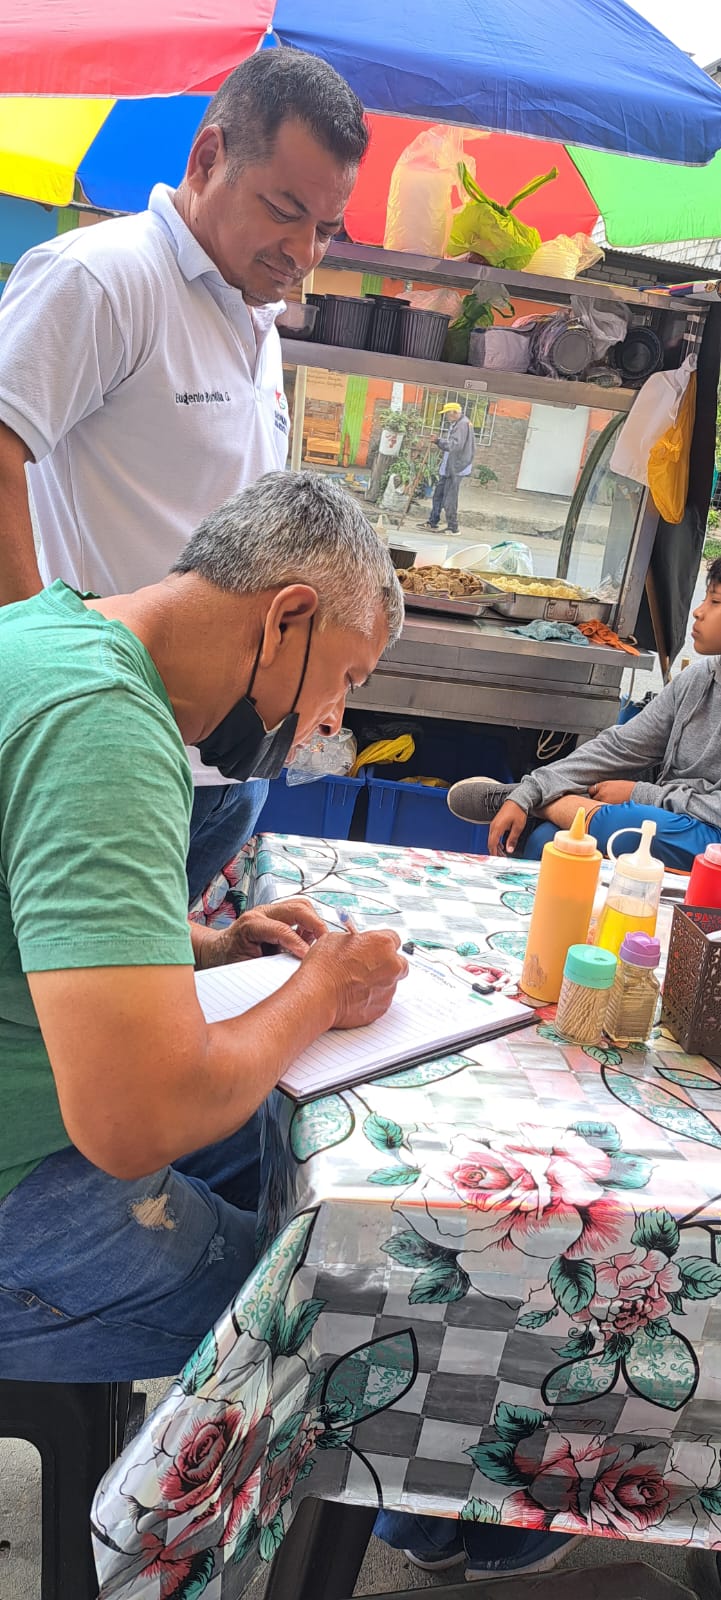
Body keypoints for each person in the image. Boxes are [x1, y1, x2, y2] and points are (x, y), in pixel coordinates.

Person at [0, 471, 408, 1381]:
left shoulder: (49, 634)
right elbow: (139, 1119)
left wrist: (212, 947)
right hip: (22, 1190)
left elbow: (36, 908)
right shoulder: (102, 728)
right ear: (286, 618)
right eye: (343, 680)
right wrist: (322, 989)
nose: (330, 720)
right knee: (332, 1316)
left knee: (273, 1135)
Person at [0, 48, 368, 904]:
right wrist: (42, 680)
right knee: (76, 987)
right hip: (108, 753)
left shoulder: (252, 311)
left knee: (183, 963)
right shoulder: (103, 277)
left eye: (325, 228)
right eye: (285, 211)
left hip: (222, 764)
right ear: (207, 159)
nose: (303, 251)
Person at [448, 557, 721, 868]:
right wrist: (533, 788)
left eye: (715, 602)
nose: (699, 611)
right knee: (551, 840)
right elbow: (620, 747)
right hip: (673, 814)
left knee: (628, 829)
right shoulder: (698, 680)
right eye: (704, 599)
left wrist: (639, 793)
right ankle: (540, 800)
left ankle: (546, 804)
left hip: (705, 833)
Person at [422, 401, 475, 535]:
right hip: (448, 466)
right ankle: (433, 521)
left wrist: (438, 441)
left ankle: (453, 527)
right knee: (438, 494)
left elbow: (454, 445)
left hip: (456, 468)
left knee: (449, 498)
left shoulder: (462, 425)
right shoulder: (458, 423)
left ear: (454, 413)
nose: (446, 416)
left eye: (447, 413)